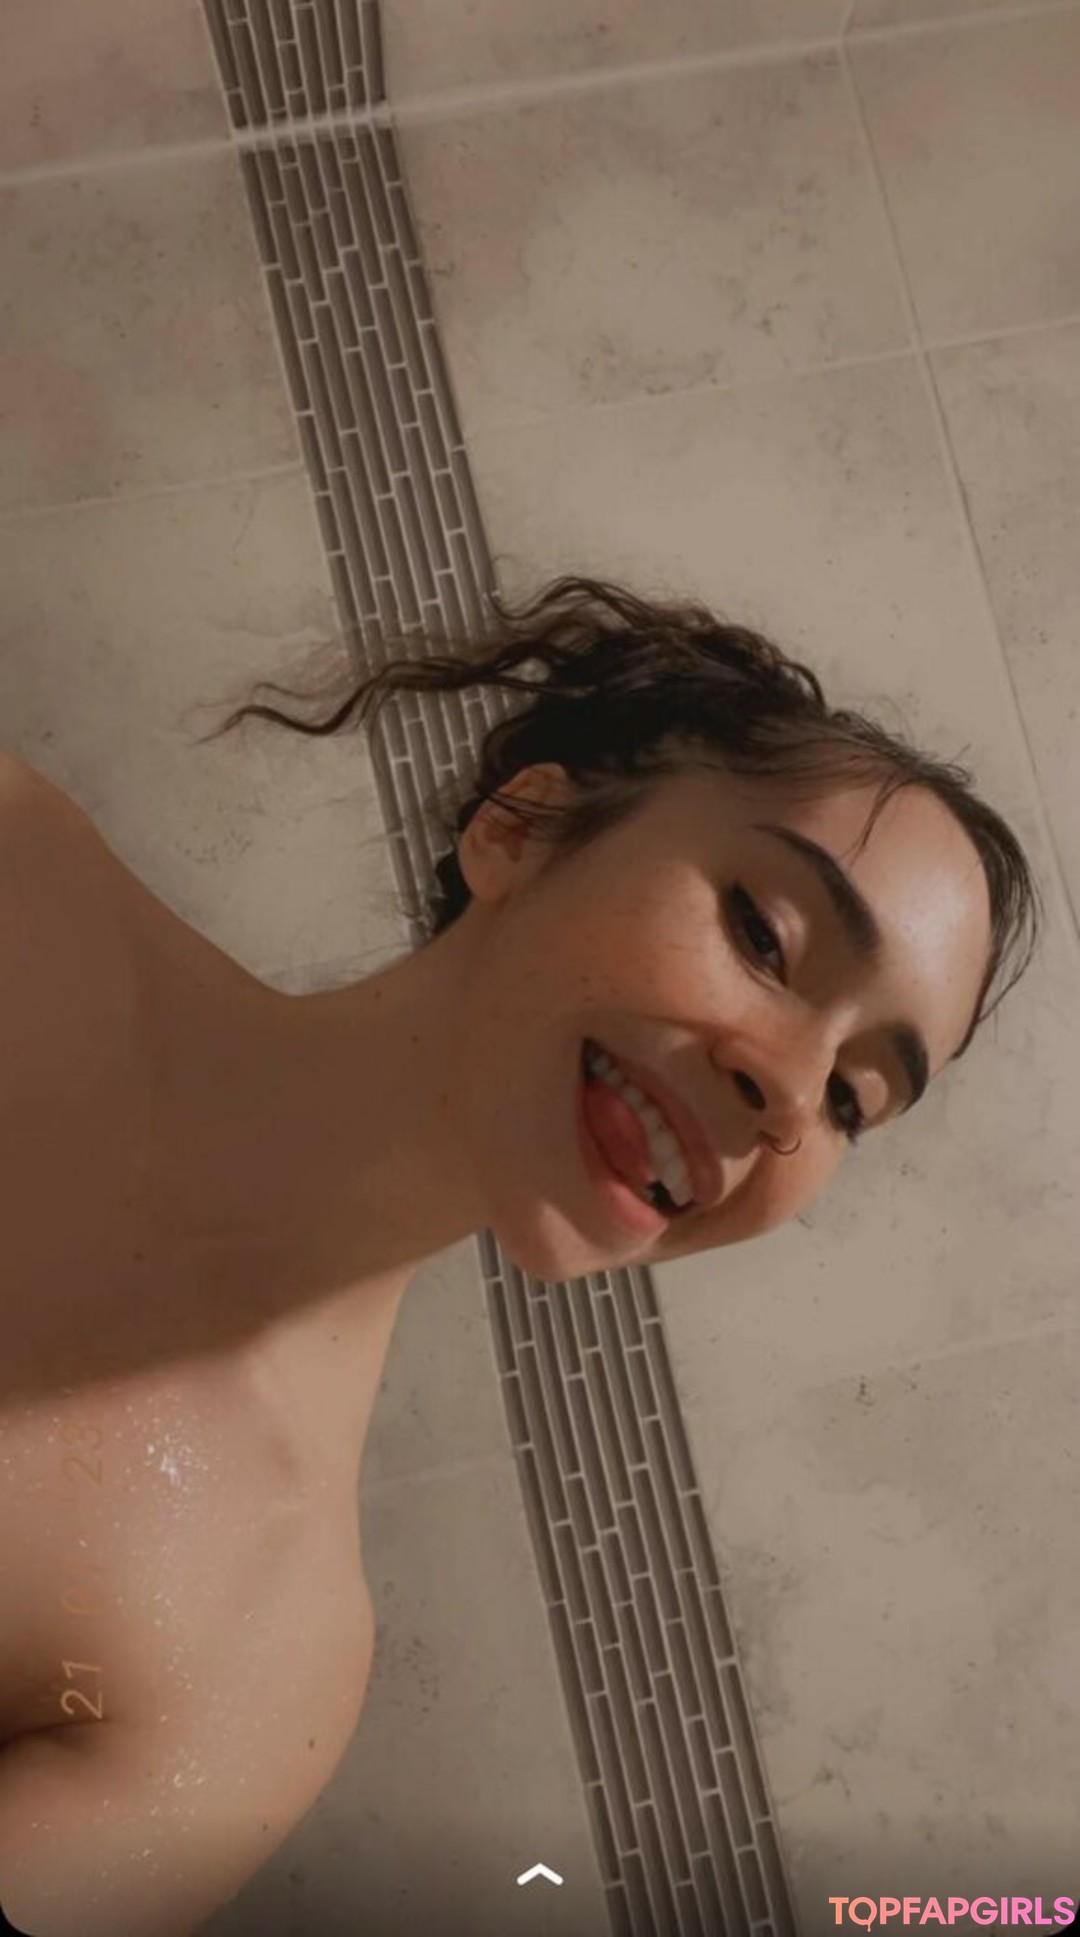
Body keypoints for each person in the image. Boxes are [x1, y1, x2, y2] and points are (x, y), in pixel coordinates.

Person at [0, 575, 1041, 1936]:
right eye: (765, 933)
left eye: (853, 1097)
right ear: (523, 826)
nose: (790, 1094)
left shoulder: (258, 1655)